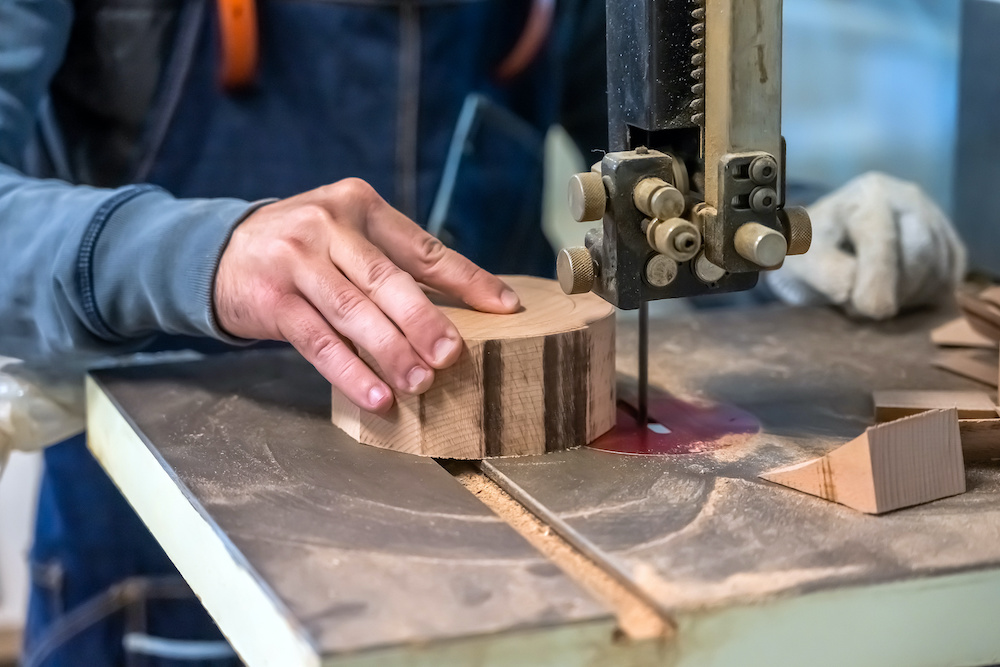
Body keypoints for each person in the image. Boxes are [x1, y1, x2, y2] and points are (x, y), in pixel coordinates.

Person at [0, 0, 965, 664]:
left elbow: (657, 170)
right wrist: (197, 253)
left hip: (535, 555)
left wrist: (800, 236)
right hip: (157, 560)